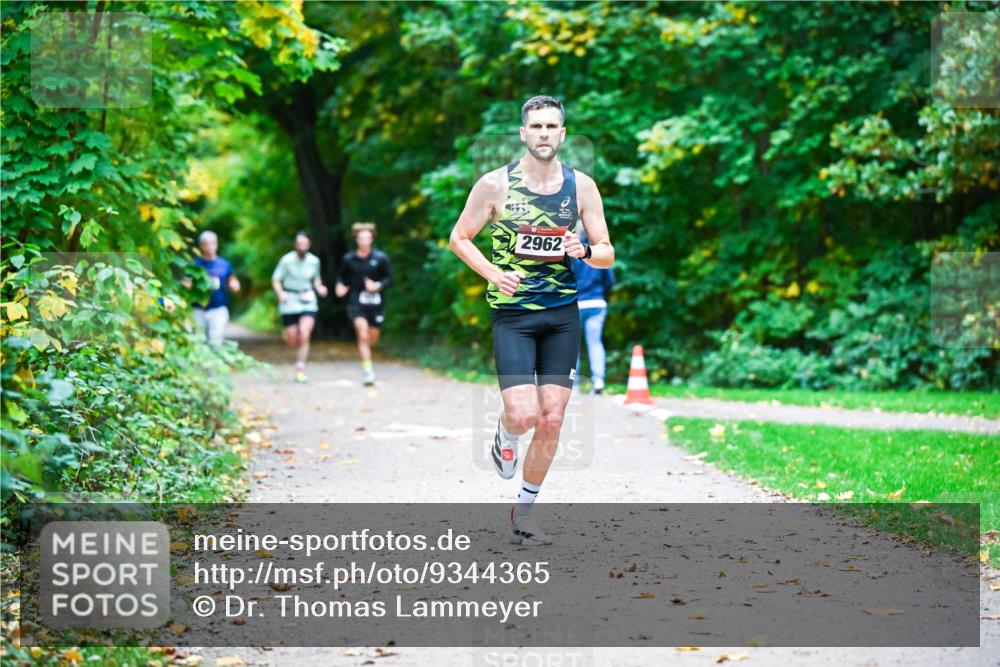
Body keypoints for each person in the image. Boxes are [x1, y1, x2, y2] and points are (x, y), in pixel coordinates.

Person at [449, 95, 614, 545]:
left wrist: (587, 251)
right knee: (524, 416)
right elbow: (459, 238)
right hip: (514, 315)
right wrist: (493, 273)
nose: (544, 134)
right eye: (536, 127)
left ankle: (524, 512)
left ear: (562, 134)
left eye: (551, 127)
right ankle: (504, 432)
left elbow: (606, 252)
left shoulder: (581, 187)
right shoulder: (494, 185)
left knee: (553, 418)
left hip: (562, 314)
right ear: (524, 133)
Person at [335, 223, 392, 386]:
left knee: (372, 337)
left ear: (372, 239)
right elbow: (341, 277)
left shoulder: (381, 258)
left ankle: (368, 357)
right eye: (361, 239)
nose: (364, 241)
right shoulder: (349, 259)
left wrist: (378, 286)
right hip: (356, 301)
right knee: (362, 334)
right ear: (357, 240)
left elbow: (389, 278)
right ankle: (368, 370)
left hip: (376, 303)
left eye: (367, 238)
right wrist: (340, 286)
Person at [272, 231, 328, 383]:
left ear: (309, 245)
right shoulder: (287, 260)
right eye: (299, 244)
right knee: (292, 339)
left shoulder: (314, 261)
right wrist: (280, 293)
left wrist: (320, 288)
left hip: (307, 299)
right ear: (295, 245)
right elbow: (276, 279)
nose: (302, 247)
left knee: (305, 333)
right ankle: (290, 336)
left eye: (305, 244)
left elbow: (316, 280)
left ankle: (300, 368)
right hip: (290, 299)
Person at [572, 225, 615, 394]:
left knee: (572, 347)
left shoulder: (571, 252)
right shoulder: (600, 254)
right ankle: (598, 382)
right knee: (595, 343)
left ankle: (572, 385)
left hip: (575, 304)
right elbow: (609, 281)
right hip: (596, 302)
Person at [191, 230, 240, 347]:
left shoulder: (224, 264)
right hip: (198, 309)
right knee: (198, 341)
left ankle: (214, 365)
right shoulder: (194, 265)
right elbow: (186, 283)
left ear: (216, 244)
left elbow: (232, 280)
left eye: (212, 243)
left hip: (218, 308)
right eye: (206, 244)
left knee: (216, 340)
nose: (209, 247)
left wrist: (235, 285)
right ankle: (201, 365)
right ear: (201, 246)